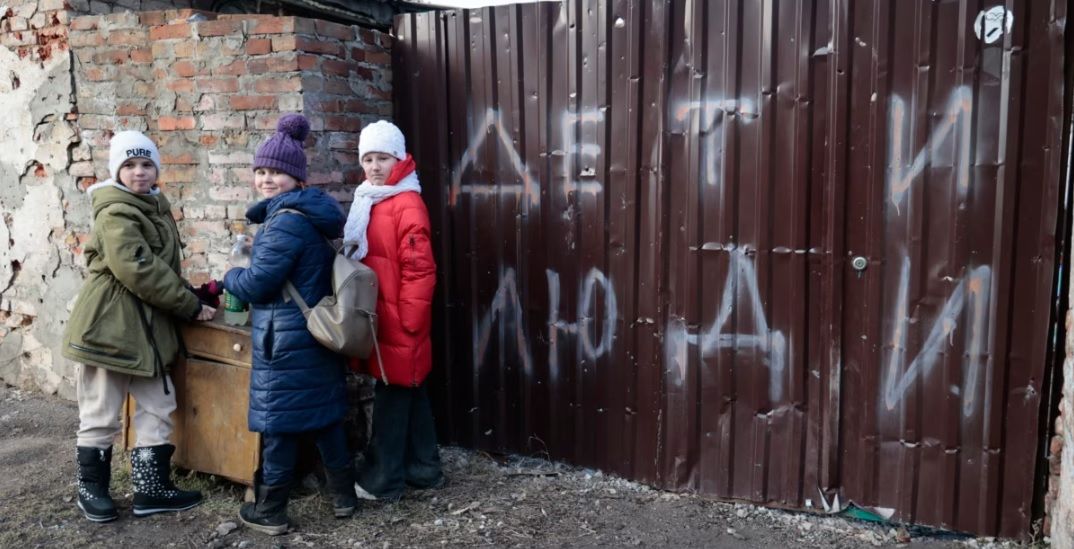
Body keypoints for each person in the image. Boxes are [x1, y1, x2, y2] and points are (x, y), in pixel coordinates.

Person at [63, 130, 215, 523]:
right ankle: (92, 491)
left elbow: (161, 268)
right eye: (129, 165)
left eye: (146, 164)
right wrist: (187, 306)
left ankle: (151, 490)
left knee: (158, 406)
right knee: (101, 411)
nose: (139, 172)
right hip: (109, 325)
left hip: (150, 325)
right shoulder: (115, 212)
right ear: (116, 171)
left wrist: (194, 295)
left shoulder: (153, 206)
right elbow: (138, 269)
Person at [222, 114, 356, 535]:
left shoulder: (284, 223)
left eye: (276, 172)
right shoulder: (308, 216)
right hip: (313, 335)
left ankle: (270, 512)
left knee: (279, 425)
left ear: (296, 178)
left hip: (284, 340)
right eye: (260, 171)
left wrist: (229, 276)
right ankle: (344, 498)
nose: (266, 179)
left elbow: (259, 285)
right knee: (324, 418)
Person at [343, 120, 442, 502]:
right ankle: (424, 469)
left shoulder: (406, 204)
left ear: (399, 159)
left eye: (382, 158)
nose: (374, 166)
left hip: (400, 320)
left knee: (392, 395)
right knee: (409, 390)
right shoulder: (369, 199)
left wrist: (410, 322)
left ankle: (382, 479)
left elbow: (419, 268)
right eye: (368, 158)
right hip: (379, 316)